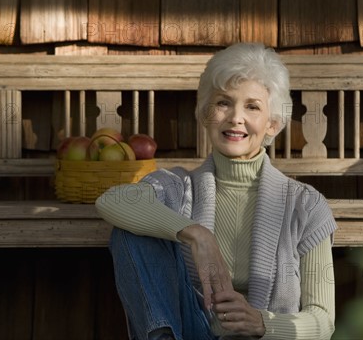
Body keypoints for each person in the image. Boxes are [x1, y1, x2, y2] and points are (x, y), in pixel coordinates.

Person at [96, 43, 337, 340]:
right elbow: (113, 200)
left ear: (272, 124)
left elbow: (323, 321)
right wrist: (196, 234)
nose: (236, 117)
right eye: (224, 102)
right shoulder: (177, 188)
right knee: (129, 231)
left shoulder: (305, 204)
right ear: (205, 114)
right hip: (191, 332)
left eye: (252, 106)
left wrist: (262, 323)